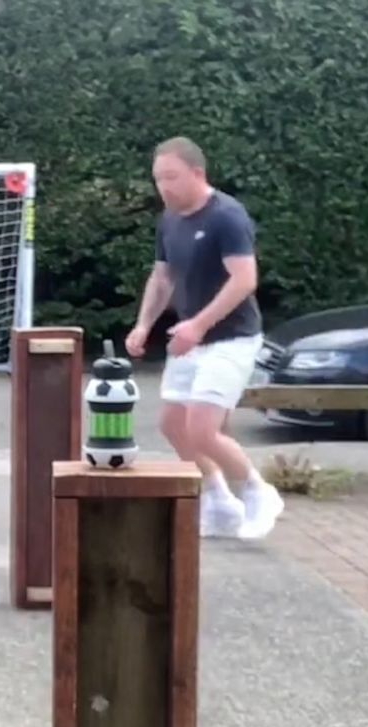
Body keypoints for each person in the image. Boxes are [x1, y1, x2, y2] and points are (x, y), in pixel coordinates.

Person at [126, 136, 284, 540]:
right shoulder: (170, 221)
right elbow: (163, 278)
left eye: (172, 177)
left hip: (232, 339)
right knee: (173, 425)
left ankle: (257, 491)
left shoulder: (226, 216)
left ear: (198, 173)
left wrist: (199, 325)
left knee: (202, 429)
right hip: (190, 341)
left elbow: (245, 279)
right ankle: (219, 500)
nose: (164, 187)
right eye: (158, 179)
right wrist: (144, 325)